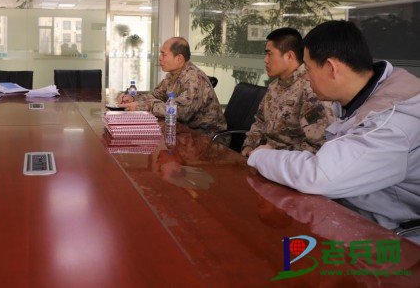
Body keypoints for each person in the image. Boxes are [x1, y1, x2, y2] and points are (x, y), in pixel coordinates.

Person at [248, 20, 420, 236]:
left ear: (331, 68)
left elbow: (319, 175)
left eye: (308, 69)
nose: (306, 77)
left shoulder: (391, 122)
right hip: (350, 212)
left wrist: (261, 156)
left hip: (392, 236)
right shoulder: (361, 99)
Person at [241, 28, 334, 157]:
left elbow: (317, 147)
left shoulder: (311, 88)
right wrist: (249, 145)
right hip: (261, 157)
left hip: (288, 164)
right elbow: (260, 121)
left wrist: (273, 154)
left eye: (270, 54)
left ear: (289, 56)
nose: (265, 60)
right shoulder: (274, 87)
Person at [118, 37, 226, 134]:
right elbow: (156, 95)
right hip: (185, 131)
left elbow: (180, 112)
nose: (160, 58)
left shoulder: (194, 79)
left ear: (179, 59)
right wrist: (133, 99)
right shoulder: (172, 75)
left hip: (207, 137)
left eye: (164, 54)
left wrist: (142, 106)